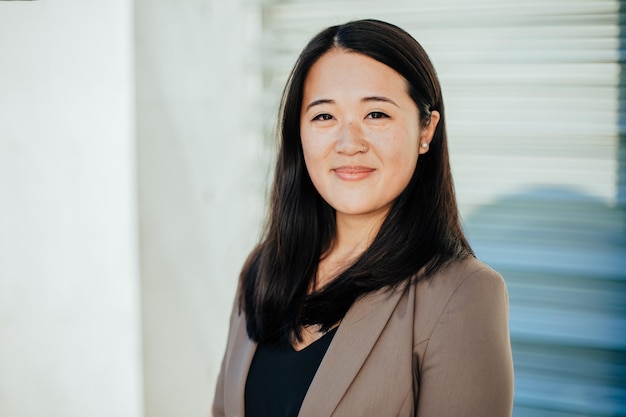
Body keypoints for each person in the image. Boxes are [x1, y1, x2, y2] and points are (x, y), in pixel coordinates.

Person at [212, 19, 514, 417]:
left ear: (426, 130)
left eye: (375, 114)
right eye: (324, 117)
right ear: (298, 133)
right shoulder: (265, 268)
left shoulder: (463, 294)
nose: (349, 143)